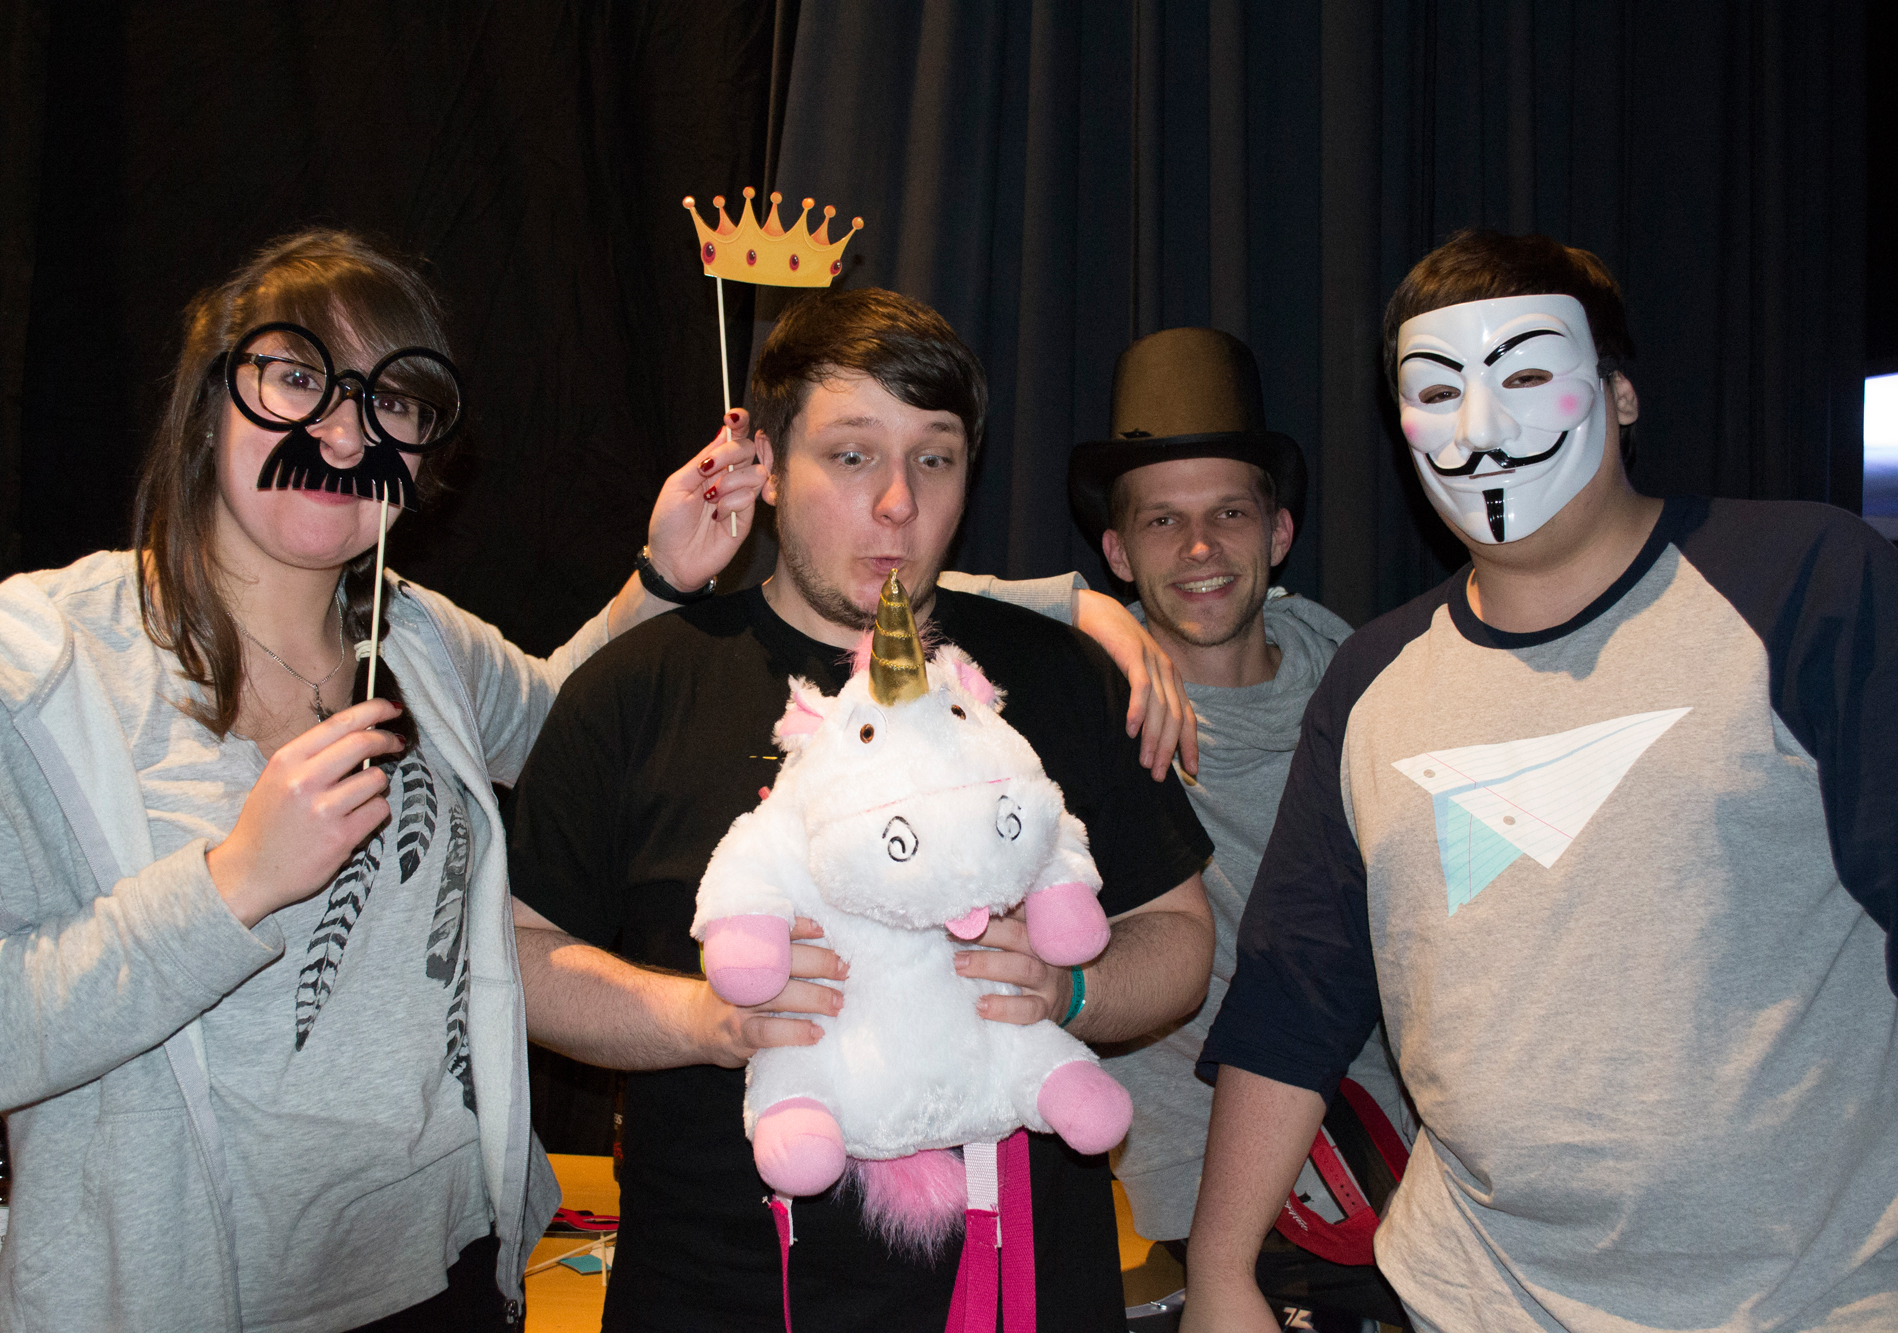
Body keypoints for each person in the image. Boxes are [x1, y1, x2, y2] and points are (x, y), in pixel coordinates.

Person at [0, 229, 773, 1332]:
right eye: (297, 378)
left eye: (390, 401)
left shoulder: (417, 638)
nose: (345, 433)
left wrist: (661, 578)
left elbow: (567, 732)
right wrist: (230, 884)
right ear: (210, 403)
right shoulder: (28, 672)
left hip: (446, 1278)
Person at [1185, 230, 1898, 1331]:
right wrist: (1221, 1271)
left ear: (1618, 394)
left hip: (1809, 1300)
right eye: (1437, 392)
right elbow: (1293, 995)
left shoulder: (1806, 583)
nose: (1480, 430)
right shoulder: (1371, 679)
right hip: (1470, 1298)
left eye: (1523, 376)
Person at [507, 286, 1218, 1331]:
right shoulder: (639, 687)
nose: (896, 502)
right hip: (717, 1295)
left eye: (934, 458)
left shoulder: (1057, 676)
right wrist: (703, 1019)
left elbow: (1178, 935)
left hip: (1019, 1297)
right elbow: (520, 957)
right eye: (851, 455)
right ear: (767, 466)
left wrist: (1073, 990)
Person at [1060, 328, 1412, 1280]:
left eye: (1229, 512)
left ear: (1280, 532)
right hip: (1190, 1192)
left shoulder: (1371, 689)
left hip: (1393, 1163)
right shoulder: (1082, 704)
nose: (1200, 547)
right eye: (1161, 521)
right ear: (1116, 551)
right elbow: (885, 586)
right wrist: (1081, 609)